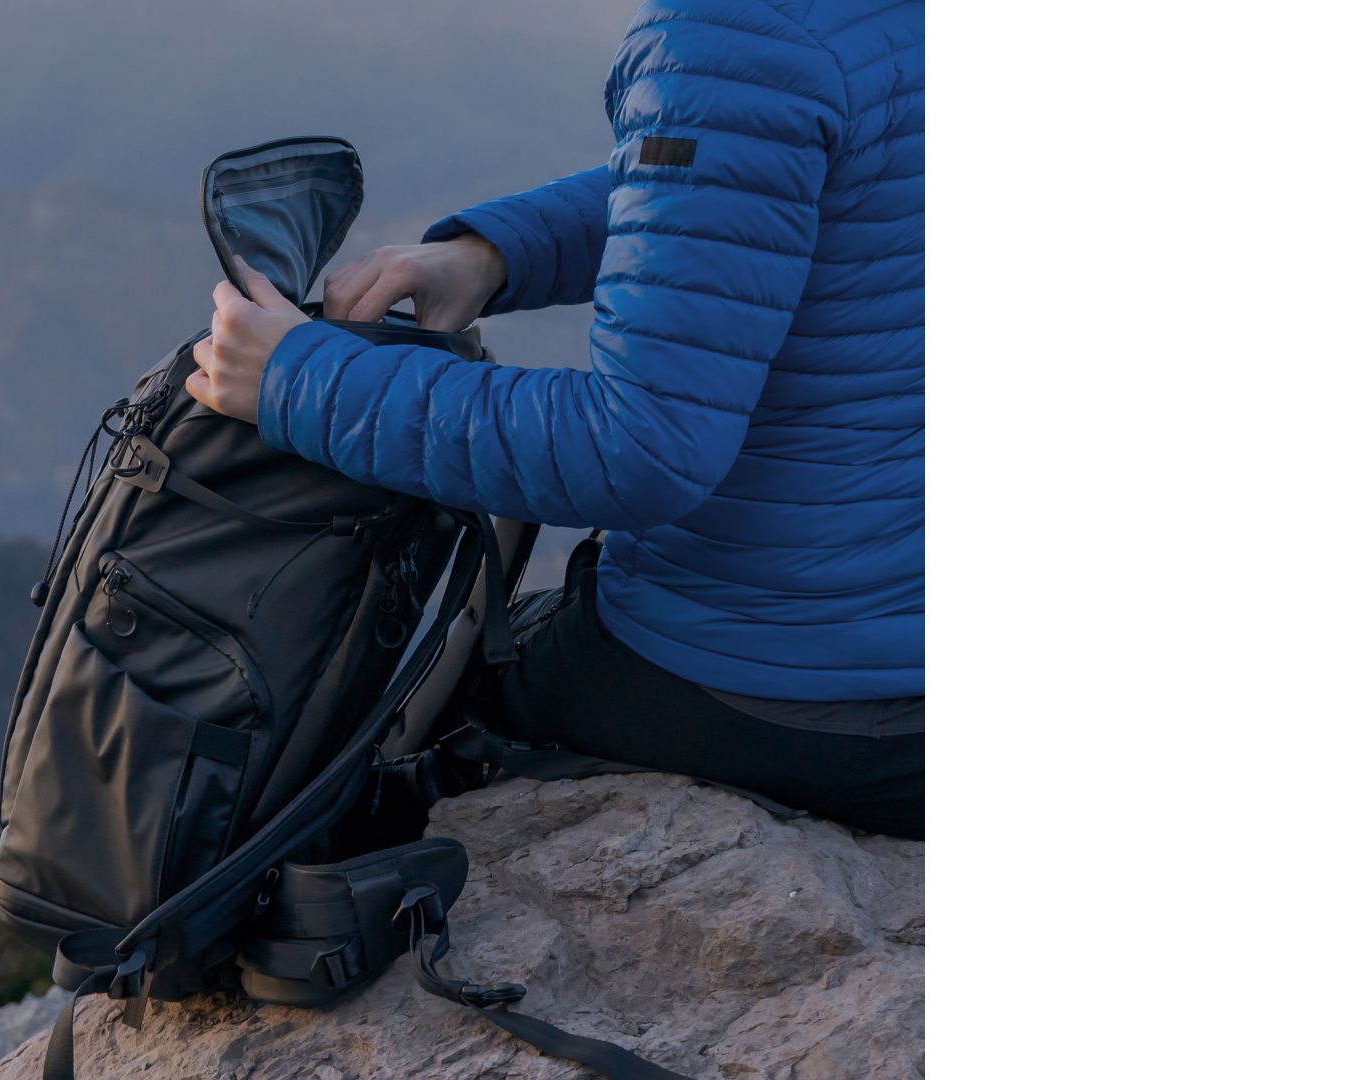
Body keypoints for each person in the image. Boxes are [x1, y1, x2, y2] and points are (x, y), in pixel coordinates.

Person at [188, 0, 924, 839]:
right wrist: (496, 252)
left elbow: (637, 451)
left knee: (376, 733)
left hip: (792, 680)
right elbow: (748, 182)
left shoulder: (735, 29)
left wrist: (303, 380)